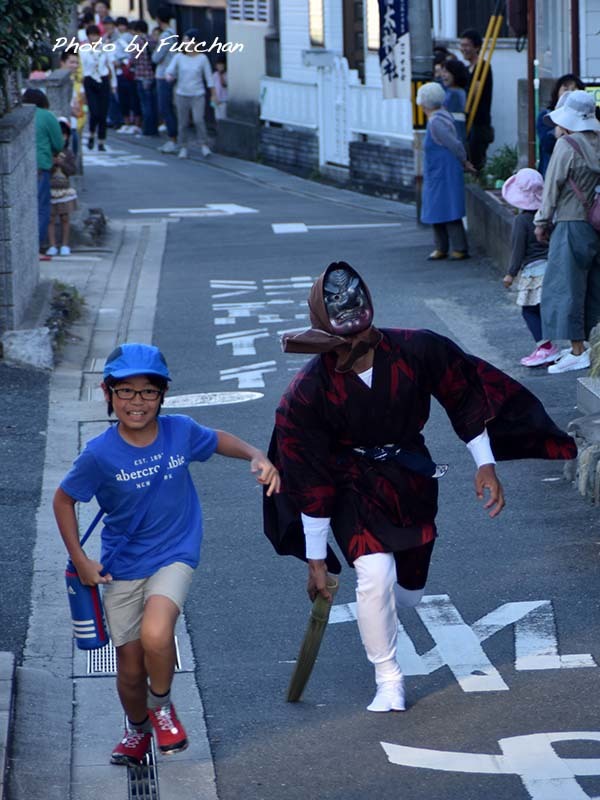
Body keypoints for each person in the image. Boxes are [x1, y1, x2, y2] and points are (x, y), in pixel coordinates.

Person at [263, 262, 576, 712]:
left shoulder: (416, 348)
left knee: (408, 591)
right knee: (374, 576)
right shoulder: (307, 391)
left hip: (409, 478)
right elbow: (308, 477)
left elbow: (465, 395)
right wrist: (316, 559)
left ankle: (397, 604)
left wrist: (485, 464)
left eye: (359, 333)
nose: (354, 346)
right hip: (351, 483)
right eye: (343, 338)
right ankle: (388, 677)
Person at [53, 343, 280, 765]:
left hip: (175, 553)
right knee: (130, 670)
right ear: (108, 394)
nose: (137, 402)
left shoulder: (180, 431)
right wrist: (81, 560)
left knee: (158, 634)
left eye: (148, 392)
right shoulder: (99, 454)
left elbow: (217, 441)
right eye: (126, 391)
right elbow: (63, 500)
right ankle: (137, 730)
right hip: (121, 567)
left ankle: (162, 707)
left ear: (162, 396)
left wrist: (256, 455)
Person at [534, 90, 600, 374]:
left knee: (566, 287)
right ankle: (593, 344)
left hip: (570, 223)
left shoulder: (567, 145)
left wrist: (541, 221)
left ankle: (577, 349)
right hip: (595, 224)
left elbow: (552, 187)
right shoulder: (597, 143)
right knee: (594, 288)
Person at [501, 168, 557, 367]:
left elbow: (518, 249)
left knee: (529, 310)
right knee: (544, 309)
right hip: (552, 267)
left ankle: (545, 347)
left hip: (533, 272)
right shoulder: (548, 215)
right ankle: (551, 346)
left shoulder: (521, 220)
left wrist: (510, 274)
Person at [416, 82, 476, 261]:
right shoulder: (442, 117)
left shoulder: (436, 122)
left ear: (423, 102)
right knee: (440, 209)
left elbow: (454, 144)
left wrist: (465, 161)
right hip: (441, 173)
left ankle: (457, 248)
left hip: (443, 173)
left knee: (448, 210)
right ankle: (442, 247)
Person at [22, 88, 65, 256]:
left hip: (22, 166)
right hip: (40, 166)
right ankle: (36, 248)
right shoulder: (47, 116)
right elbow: (58, 144)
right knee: (41, 207)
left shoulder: (19, 114)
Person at [165, 29, 216, 159]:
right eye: (184, 40)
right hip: (181, 94)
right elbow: (170, 70)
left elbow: (209, 78)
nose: (185, 42)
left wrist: (213, 94)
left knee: (199, 120)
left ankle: (204, 145)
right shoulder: (179, 57)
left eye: (187, 39)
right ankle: (183, 147)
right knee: (183, 122)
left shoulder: (202, 58)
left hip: (198, 94)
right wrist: (169, 76)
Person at [537, 74, 585, 177]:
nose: (569, 93)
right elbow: (546, 144)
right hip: (552, 172)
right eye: (565, 89)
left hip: (580, 175)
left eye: (574, 89)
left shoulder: (587, 117)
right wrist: (559, 128)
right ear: (557, 92)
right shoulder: (546, 116)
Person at [459, 28, 494, 172]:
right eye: (462, 45)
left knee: (476, 161)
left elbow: (474, 92)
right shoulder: (467, 69)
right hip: (468, 121)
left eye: (467, 45)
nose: (463, 49)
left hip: (478, 122)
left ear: (477, 47)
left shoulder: (483, 67)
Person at [80, 24, 117, 151]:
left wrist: (114, 84)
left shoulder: (105, 48)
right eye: (91, 35)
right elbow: (82, 68)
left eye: (96, 35)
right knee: (94, 111)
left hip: (103, 79)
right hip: (89, 80)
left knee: (103, 113)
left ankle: (101, 141)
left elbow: (110, 66)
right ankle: (91, 134)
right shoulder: (83, 49)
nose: (93, 38)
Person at [46, 118, 78, 257]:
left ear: (67, 137)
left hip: (64, 190)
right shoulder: (48, 153)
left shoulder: (69, 153)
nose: (61, 138)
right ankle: (52, 245)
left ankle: (65, 245)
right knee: (50, 219)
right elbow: (45, 170)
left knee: (65, 218)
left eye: (64, 135)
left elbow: (72, 170)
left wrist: (62, 164)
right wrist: (53, 164)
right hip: (50, 190)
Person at [152, 6, 178, 153]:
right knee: (168, 107)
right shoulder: (173, 34)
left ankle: (172, 139)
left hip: (164, 74)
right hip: (169, 73)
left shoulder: (165, 36)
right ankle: (173, 138)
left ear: (159, 19)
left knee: (165, 107)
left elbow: (156, 57)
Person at [130, 20, 158, 137]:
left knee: (145, 104)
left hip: (141, 75)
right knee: (152, 103)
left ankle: (147, 129)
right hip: (152, 75)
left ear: (137, 30)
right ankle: (154, 128)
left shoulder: (137, 42)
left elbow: (133, 59)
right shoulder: (153, 40)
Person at [440, 57, 469, 143]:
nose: (443, 75)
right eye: (443, 71)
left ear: (456, 73)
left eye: (446, 72)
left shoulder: (454, 94)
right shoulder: (457, 92)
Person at [212, 56, 228, 121]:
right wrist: (214, 98)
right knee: (217, 118)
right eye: (218, 65)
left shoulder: (227, 75)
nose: (220, 66)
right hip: (216, 100)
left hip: (224, 100)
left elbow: (224, 84)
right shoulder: (214, 75)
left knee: (223, 118)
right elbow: (213, 87)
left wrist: (221, 75)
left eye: (221, 65)